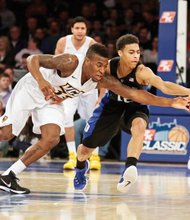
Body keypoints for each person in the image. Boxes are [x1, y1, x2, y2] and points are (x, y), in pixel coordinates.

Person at [0, 43, 189, 195]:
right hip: (31, 89)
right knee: (7, 134)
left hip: (50, 100)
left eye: (105, 65)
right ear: (87, 61)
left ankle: (9, 175)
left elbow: (136, 95)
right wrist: (42, 81)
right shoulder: (70, 61)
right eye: (98, 64)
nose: (102, 69)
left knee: (52, 138)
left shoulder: (101, 79)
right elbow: (33, 59)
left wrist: (171, 103)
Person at [73, 34, 190, 192]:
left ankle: (129, 169)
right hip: (111, 106)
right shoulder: (109, 66)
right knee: (84, 150)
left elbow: (165, 86)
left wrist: (188, 92)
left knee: (140, 127)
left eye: (137, 52)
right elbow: (95, 78)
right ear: (120, 53)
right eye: (131, 52)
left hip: (135, 106)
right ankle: (80, 168)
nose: (136, 56)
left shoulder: (142, 71)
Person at [55, 16, 103, 170]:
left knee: (93, 120)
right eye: (77, 28)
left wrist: (101, 95)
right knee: (67, 118)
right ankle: (72, 156)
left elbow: (101, 70)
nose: (80, 31)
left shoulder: (92, 44)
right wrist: (57, 90)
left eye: (83, 28)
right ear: (72, 29)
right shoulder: (63, 42)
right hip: (70, 87)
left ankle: (95, 155)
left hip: (88, 87)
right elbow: (54, 65)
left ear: (86, 30)